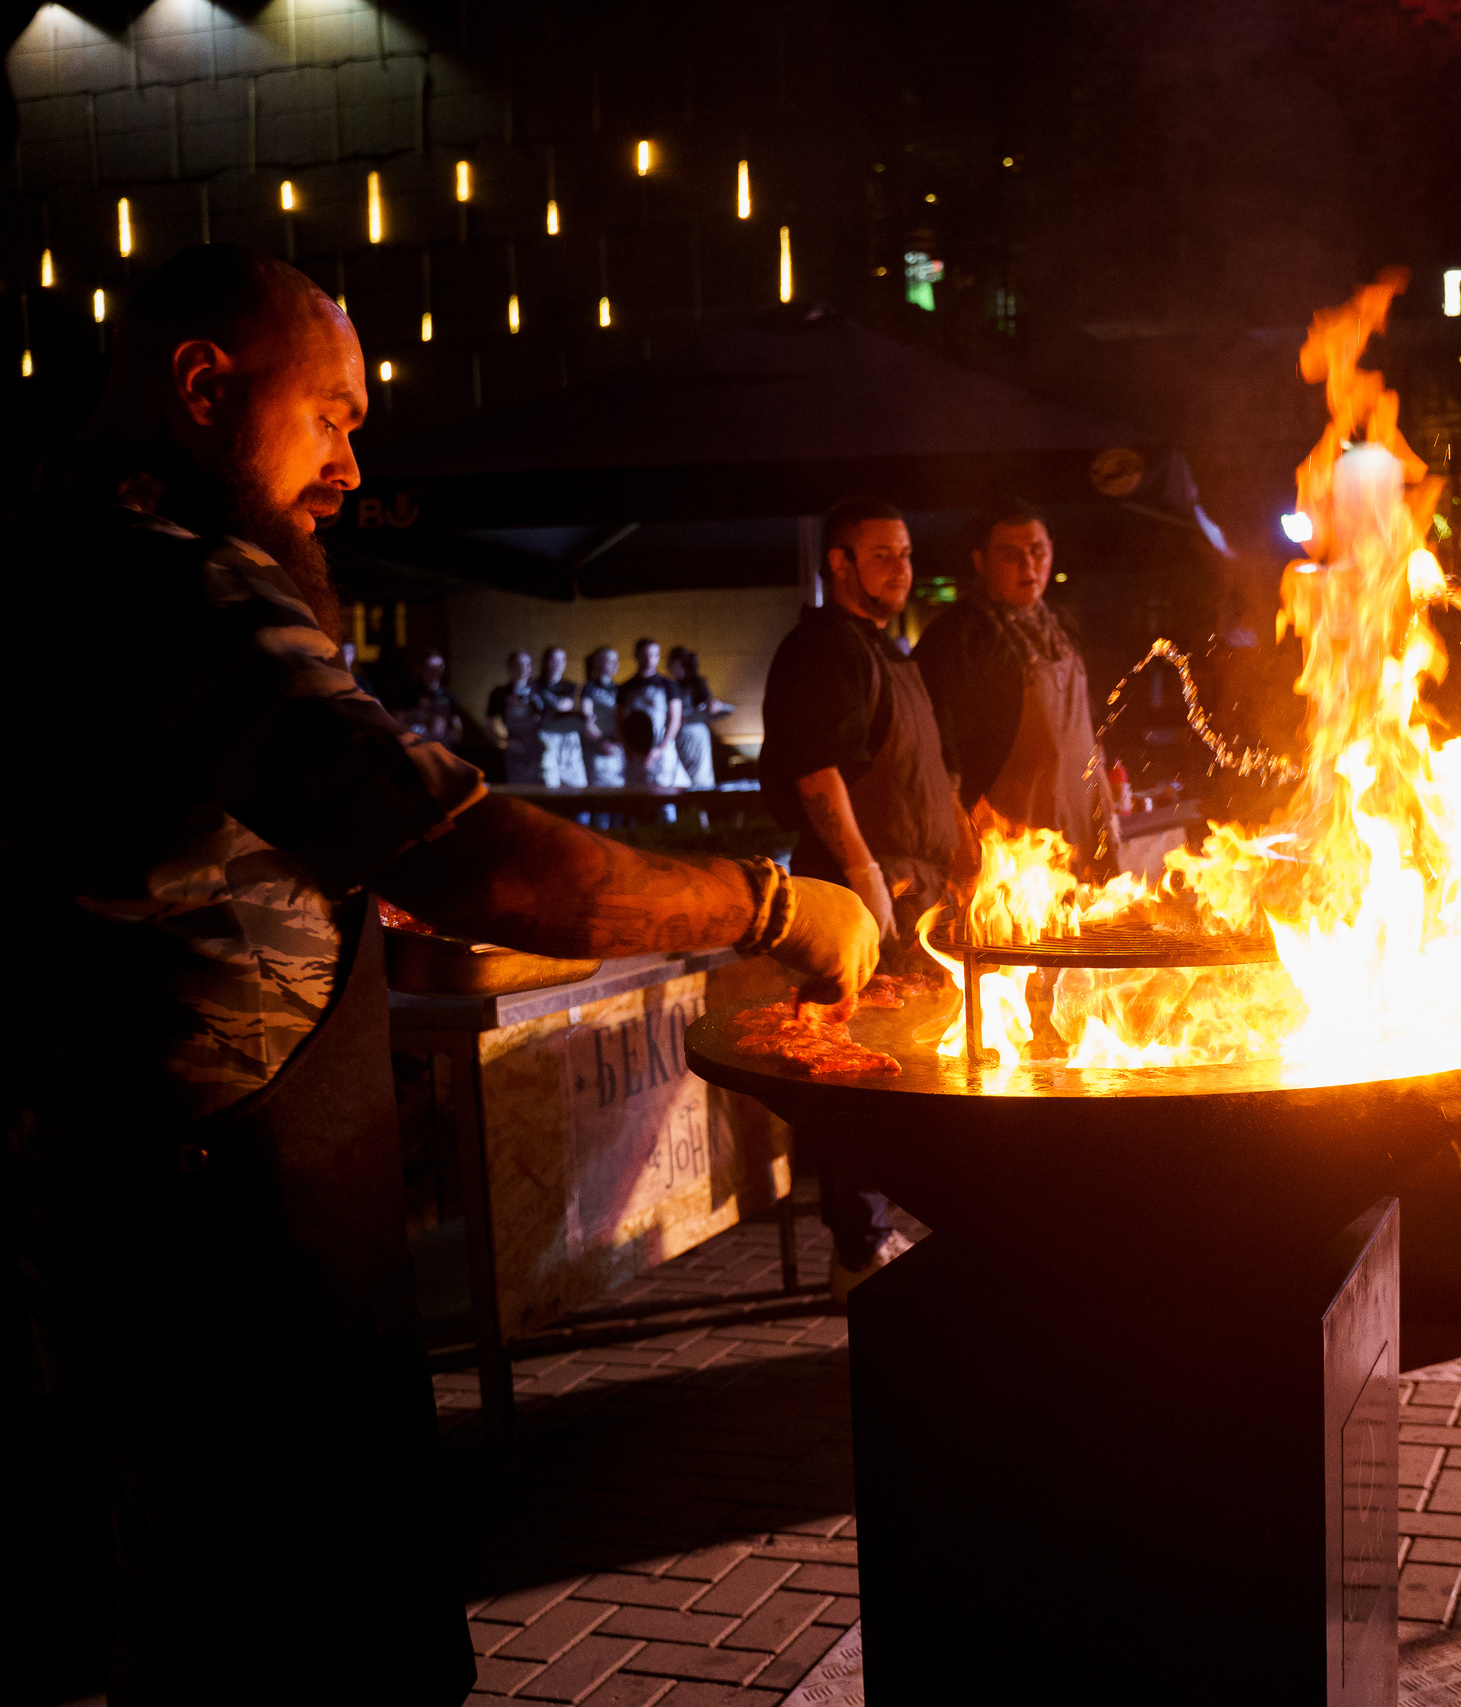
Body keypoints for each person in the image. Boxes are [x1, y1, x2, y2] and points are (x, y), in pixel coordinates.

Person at [1, 244, 876, 1705]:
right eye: (332, 415)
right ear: (206, 388)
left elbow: (157, 849)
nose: (354, 461)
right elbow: (472, 856)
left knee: (187, 1602)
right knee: (297, 1634)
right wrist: (771, 902)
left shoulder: (38, 557)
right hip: (223, 1234)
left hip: (100, 1198)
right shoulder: (184, 587)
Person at [761, 496, 974, 1297]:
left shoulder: (892, 651)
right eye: (881, 554)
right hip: (858, 889)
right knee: (857, 1073)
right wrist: (862, 874)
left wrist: (964, 844)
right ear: (839, 563)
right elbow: (817, 772)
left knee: (910, 1061)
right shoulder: (820, 648)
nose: (901, 569)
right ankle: (858, 1249)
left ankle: (895, 1232)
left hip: (914, 884)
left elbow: (931, 766)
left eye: (908, 554)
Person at [913, 497, 1118, 873]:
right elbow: (934, 746)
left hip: (1084, 816)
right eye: (1011, 555)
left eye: (1037, 551)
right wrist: (956, 820)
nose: (1029, 566)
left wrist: (1109, 775)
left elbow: (1088, 719)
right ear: (980, 562)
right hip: (1010, 835)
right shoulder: (955, 638)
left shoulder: (1063, 624)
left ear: (1051, 551)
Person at [617, 637, 691, 791]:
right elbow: (619, 721)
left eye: (655, 655)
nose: (650, 659)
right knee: (635, 799)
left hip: (661, 751)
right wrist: (630, 749)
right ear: (637, 655)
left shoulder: (668, 685)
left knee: (665, 799)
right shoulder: (625, 687)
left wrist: (660, 749)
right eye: (645, 654)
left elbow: (675, 720)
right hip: (635, 753)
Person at [667, 646, 730, 789]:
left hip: (695, 734)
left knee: (699, 778)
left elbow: (709, 702)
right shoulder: (670, 685)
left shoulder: (696, 682)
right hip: (676, 733)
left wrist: (714, 704)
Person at [485, 649, 546, 786]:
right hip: (512, 755)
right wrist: (506, 743)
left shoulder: (539, 691)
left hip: (536, 753)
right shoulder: (499, 693)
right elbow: (490, 726)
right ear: (510, 667)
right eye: (518, 665)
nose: (523, 669)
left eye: (527, 665)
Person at [533, 644, 589, 788]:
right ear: (545, 662)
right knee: (549, 782)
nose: (558, 664)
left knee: (576, 785)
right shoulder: (534, 685)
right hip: (546, 738)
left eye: (562, 660)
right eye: (554, 660)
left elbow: (568, 707)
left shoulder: (570, 686)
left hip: (568, 739)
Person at [400, 648, 466, 748]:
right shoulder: (409, 695)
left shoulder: (448, 696)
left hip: (442, 751)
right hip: (418, 751)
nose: (435, 673)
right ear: (421, 669)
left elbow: (457, 732)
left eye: (439, 668)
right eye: (431, 668)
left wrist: (445, 730)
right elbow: (398, 724)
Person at [579, 644, 625, 788]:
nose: (615, 664)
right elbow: (586, 719)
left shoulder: (619, 689)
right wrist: (603, 742)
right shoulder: (589, 688)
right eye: (610, 660)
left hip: (618, 750)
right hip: (598, 750)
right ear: (598, 663)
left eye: (616, 660)